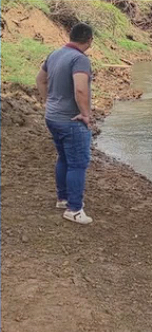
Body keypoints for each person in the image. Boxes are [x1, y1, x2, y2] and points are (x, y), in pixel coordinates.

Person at [36, 23, 94, 225]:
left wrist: (48, 102)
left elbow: (40, 80)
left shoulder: (55, 54)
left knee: (64, 158)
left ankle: (63, 199)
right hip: (71, 120)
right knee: (78, 163)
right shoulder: (80, 59)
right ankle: (75, 210)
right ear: (89, 40)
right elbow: (80, 90)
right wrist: (85, 114)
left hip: (53, 117)